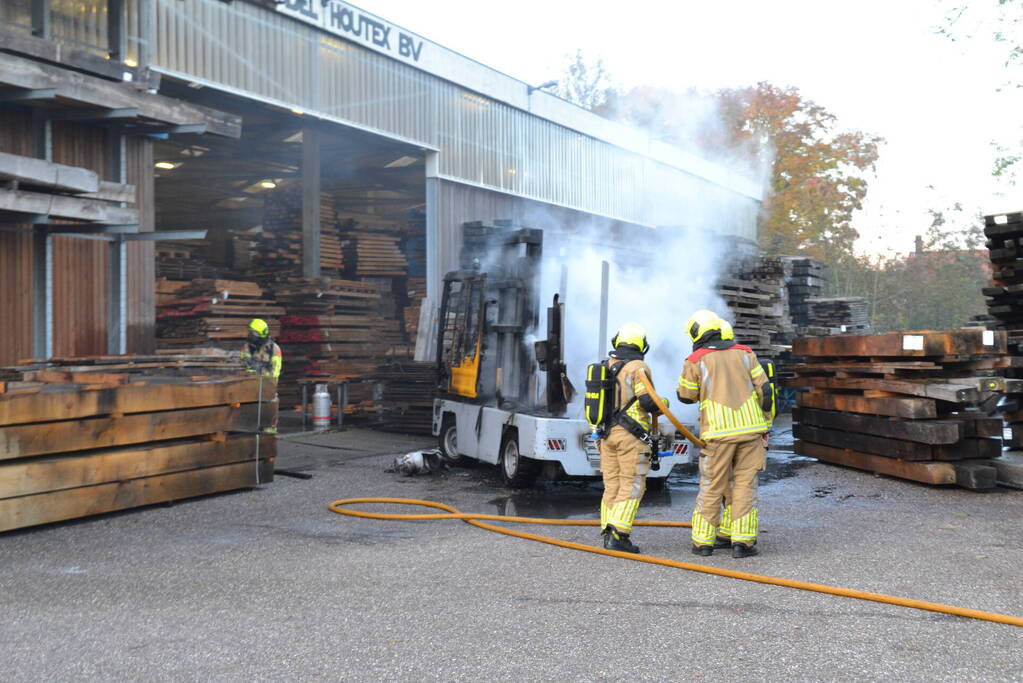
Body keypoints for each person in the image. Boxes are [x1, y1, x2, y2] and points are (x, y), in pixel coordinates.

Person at [676, 310, 772, 558]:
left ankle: (703, 543)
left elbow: (686, 395)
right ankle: (742, 543)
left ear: (697, 334)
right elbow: (766, 391)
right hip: (751, 431)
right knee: (744, 486)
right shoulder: (746, 353)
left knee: (711, 486)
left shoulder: (696, 359)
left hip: (717, 434)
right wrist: (766, 424)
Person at [598, 322, 665, 554]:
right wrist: (662, 404)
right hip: (630, 436)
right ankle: (619, 534)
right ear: (642, 346)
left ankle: (608, 532)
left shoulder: (606, 365)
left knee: (612, 485)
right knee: (632, 484)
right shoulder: (638, 367)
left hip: (606, 435)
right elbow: (647, 402)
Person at [241, 318, 283, 434]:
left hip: (267, 387)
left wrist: (259, 373)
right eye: (250, 332)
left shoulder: (274, 349)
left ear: (261, 333)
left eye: (253, 333)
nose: (250, 335)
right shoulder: (248, 346)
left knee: (270, 407)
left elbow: (274, 372)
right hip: (250, 386)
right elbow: (243, 365)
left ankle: (269, 430)